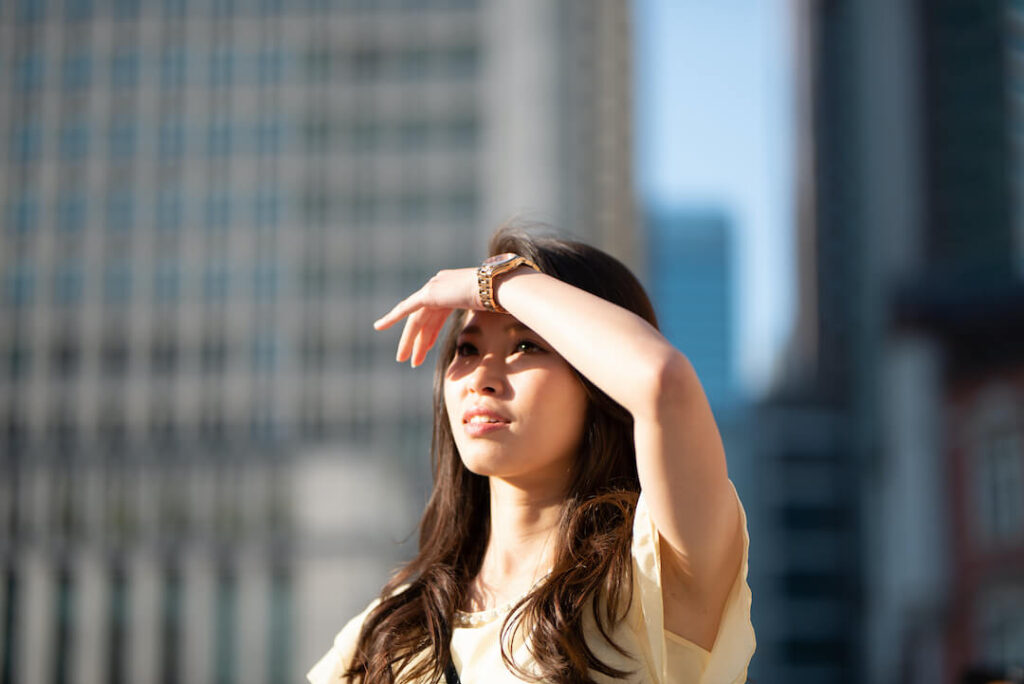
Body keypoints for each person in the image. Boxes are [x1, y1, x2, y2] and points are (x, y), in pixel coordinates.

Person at [308, 226, 755, 684]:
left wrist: (494, 282)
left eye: (526, 345)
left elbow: (663, 381)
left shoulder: (655, 575)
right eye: (468, 348)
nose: (482, 377)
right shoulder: (392, 629)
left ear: (598, 379)